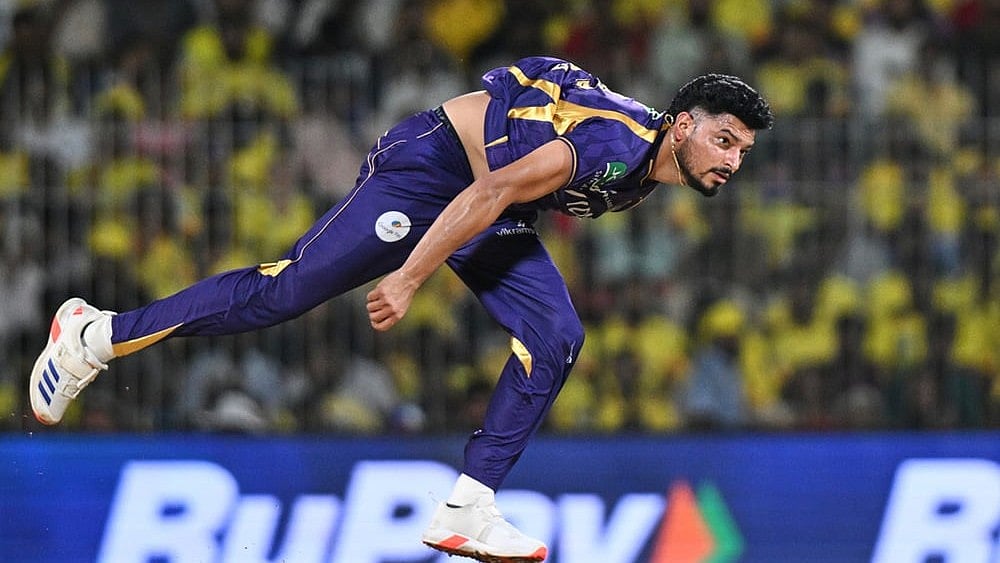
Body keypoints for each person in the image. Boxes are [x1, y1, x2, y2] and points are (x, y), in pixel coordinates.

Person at [29, 56, 772, 562]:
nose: (731, 161)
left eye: (741, 151)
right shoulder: (616, 147)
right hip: (428, 173)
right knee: (284, 291)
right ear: (682, 124)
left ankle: (467, 508)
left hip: (482, 201)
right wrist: (411, 276)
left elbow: (511, 163)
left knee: (555, 335)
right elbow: (487, 192)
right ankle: (92, 334)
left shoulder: (641, 168)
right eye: (724, 139)